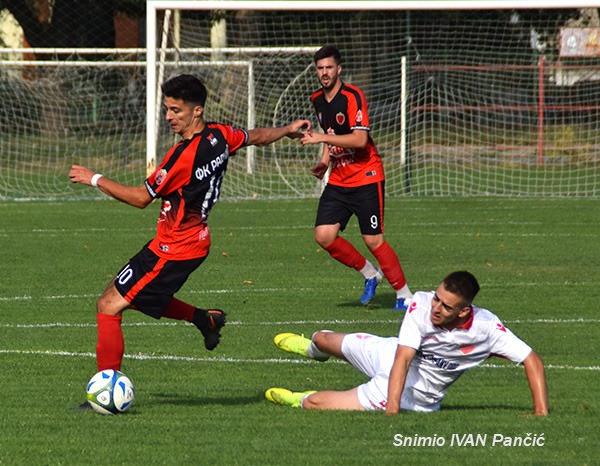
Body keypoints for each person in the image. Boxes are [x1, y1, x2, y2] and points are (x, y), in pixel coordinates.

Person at [69, 74, 311, 384]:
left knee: (109, 305)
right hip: (187, 243)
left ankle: (107, 388)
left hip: (176, 247)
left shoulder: (182, 157)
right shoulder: (220, 135)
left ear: (197, 110)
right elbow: (256, 136)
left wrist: (94, 178)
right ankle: (204, 318)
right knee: (141, 296)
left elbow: (142, 198)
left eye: (176, 111)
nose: (169, 117)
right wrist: (286, 130)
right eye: (167, 110)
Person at [265, 271, 548, 416]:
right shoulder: (421, 305)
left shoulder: (487, 329)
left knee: (315, 404)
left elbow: (531, 359)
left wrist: (540, 413)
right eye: (437, 298)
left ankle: (296, 397)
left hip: (415, 396)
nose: (436, 308)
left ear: (464, 311)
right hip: (392, 355)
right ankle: (312, 350)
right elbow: (403, 358)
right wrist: (391, 412)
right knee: (322, 338)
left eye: (446, 306)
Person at [299, 45, 411, 310]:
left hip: (366, 175)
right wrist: (324, 161)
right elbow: (329, 132)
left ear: (339, 69)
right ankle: (370, 274)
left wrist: (322, 138)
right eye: (320, 68)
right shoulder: (317, 99)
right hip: (338, 178)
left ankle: (405, 295)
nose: (324, 73)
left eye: (329, 67)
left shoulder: (353, 96)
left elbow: (360, 140)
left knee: (373, 239)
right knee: (324, 235)